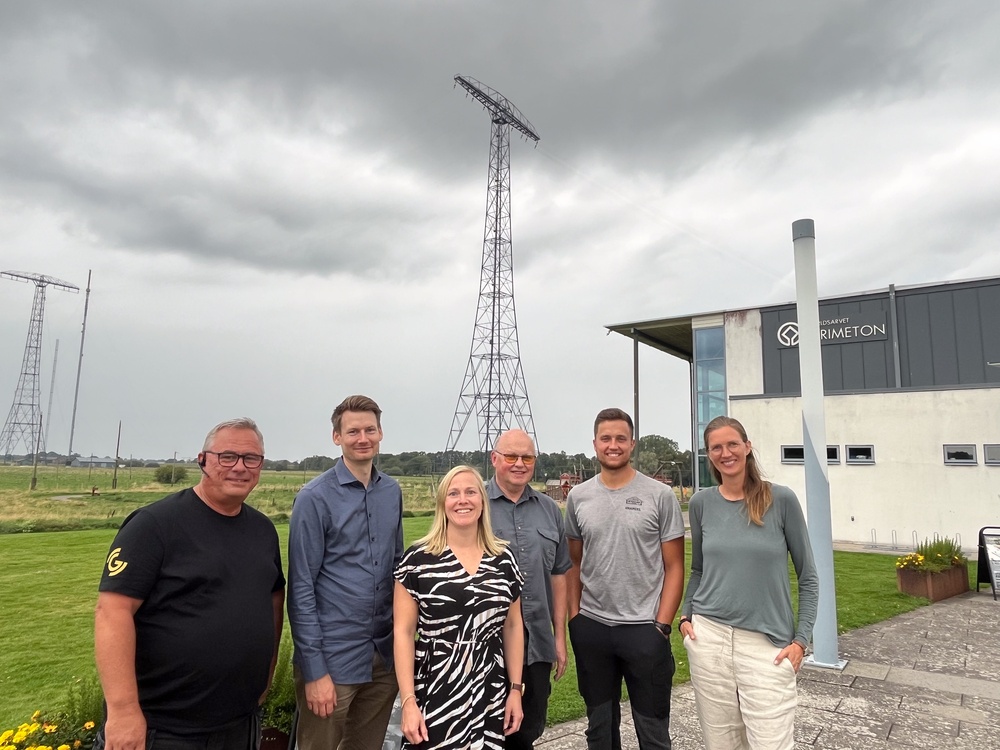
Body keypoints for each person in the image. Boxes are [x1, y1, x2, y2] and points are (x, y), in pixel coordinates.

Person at [94, 418, 285, 750]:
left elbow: (273, 601)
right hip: (165, 729)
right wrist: (123, 712)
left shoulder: (263, 530)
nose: (240, 467)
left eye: (250, 458)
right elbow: (112, 612)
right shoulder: (154, 525)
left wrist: (265, 680)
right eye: (227, 456)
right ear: (203, 460)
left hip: (239, 724)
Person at [679, 416, 818, 750]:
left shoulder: (780, 500)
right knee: (721, 742)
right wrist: (686, 617)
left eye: (732, 444)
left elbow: (809, 577)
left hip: (766, 645)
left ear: (747, 447)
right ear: (708, 454)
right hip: (708, 637)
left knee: (771, 742)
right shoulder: (701, 503)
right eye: (716, 447)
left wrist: (801, 640)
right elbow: (698, 570)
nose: (725, 453)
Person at [288, 395, 404, 750]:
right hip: (332, 658)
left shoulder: (391, 492)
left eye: (370, 429)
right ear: (337, 437)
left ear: (381, 433)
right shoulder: (314, 498)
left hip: (382, 657)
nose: (362, 437)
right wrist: (314, 670)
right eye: (352, 431)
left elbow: (399, 567)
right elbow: (301, 587)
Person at [565, 408, 685, 750]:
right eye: (606, 438)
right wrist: (576, 619)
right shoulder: (579, 497)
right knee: (600, 732)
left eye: (620, 438)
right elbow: (573, 562)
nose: (613, 445)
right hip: (593, 627)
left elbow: (674, 566)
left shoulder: (658, 496)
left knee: (653, 733)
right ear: (595, 444)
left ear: (632, 443)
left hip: (644, 629)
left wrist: (662, 626)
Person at [393, 465, 525, 750]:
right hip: (436, 684)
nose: (462, 500)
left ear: (482, 500)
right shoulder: (418, 560)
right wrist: (408, 702)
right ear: (443, 503)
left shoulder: (503, 558)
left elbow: (513, 626)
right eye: (453, 493)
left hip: (490, 682)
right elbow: (403, 632)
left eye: (470, 492)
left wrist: (515, 689)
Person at [487, 430, 570, 750]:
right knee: (488, 732)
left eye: (527, 458)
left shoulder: (549, 510)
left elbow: (560, 573)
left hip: (537, 643)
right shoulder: (473, 504)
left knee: (528, 729)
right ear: (495, 458)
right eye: (511, 456)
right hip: (488, 648)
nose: (519, 464)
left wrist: (559, 638)